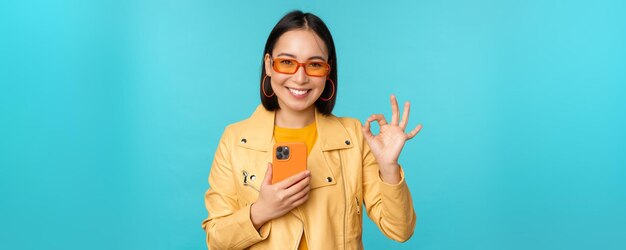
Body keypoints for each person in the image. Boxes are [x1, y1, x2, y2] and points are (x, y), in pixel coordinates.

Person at [201, 10, 423, 250]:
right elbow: (216, 240)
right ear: (268, 65)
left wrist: (389, 168)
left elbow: (400, 230)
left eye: (314, 65)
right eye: (286, 62)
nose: (300, 77)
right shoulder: (235, 140)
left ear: (328, 70)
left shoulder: (355, 138)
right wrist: (261, 211)